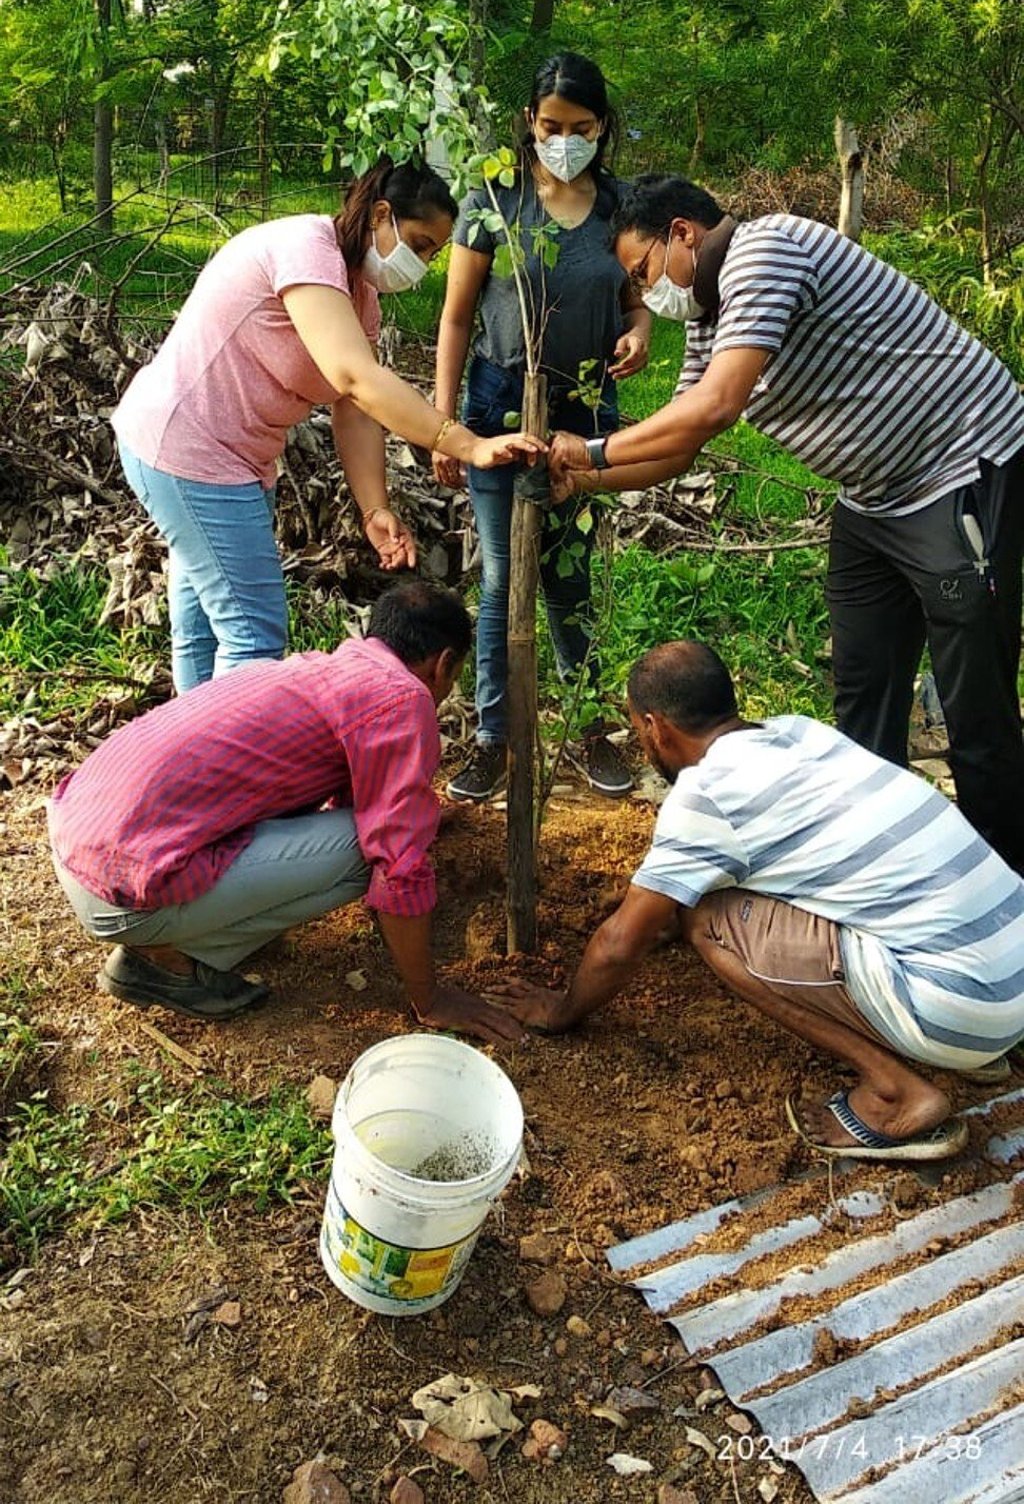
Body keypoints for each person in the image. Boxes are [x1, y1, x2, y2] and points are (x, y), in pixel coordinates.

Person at [547, 176, 1024, 872]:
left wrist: (587, 449)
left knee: (975, 714)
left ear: (682, 233)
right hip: (874, 499)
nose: (646, 294)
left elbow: (714, 407)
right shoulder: (711, 317)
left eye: (642, 271)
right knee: (862, 697)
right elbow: (677, 446)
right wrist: (579, 481)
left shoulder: (765, 250)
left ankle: (1005, 890)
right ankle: (882, 867)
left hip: (958, 471)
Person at [499, 640, 1024, 1159]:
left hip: (959, 1007)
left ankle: (894, 1091)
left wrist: (562, 1009)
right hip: (1011, 972)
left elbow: (618, 945)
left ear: (655, 727)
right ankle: (978, 1051)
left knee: (708, 919)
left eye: (639, 730)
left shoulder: (705, 795)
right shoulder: (803, 732)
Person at [113, 156, 543, 693]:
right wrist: (465, 444)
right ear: (380, 214)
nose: (422, 262)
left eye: (433, 253)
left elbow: (353, 406)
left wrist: (374, 508)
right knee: (253, 634)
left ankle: (191, 761)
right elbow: (355, 375)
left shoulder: (358, 294)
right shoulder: (306, 248)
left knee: (205, 624)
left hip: (233, 459)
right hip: (188, 450)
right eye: (419, 242)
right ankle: (232, 771)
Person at [48, 579, 525, 1045]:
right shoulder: (403, 695)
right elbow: (396, 862)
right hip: (121, 894)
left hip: (80, 843)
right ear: (443, 664)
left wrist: (420, 811)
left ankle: (170, 941)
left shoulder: (323, 670)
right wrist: (432, 998)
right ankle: (168, 958)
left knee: (371, 835)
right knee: (370, 854)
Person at [433, 54, 651, 802]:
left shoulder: (618, 207)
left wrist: (641, 328)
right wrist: (441, 426)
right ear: (529, 121)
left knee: (569, 573)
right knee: (501, 576)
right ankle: (495, 736)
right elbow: (457, 316)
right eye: (551, 127)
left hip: (584, 408)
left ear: (601, 128)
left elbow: (635, 295)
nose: (564, 141)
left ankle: (586, 726)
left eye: (581, 129)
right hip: (499, 401)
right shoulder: (493, 198)